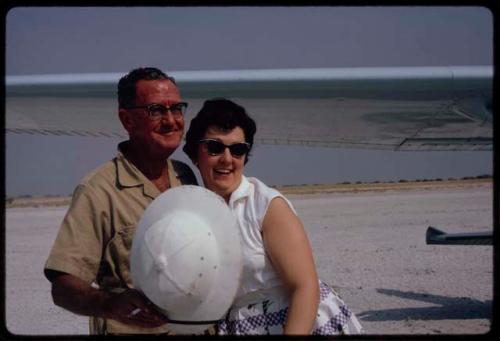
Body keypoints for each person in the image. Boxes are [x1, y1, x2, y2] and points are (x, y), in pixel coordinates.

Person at [183, 98, 363, 335]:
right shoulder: (194, 212)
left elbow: (305, 288)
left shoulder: (265, 204)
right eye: (215, 147)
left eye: (238, 149)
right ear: (196, 154)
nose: (227, 158)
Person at [44, 67, 198, 335]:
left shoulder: (185, 176)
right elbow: (63, 286)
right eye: (156, 110)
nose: (171, 120)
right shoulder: (98, 191)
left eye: (177, 108)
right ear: (127, 119)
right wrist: (108, 303)